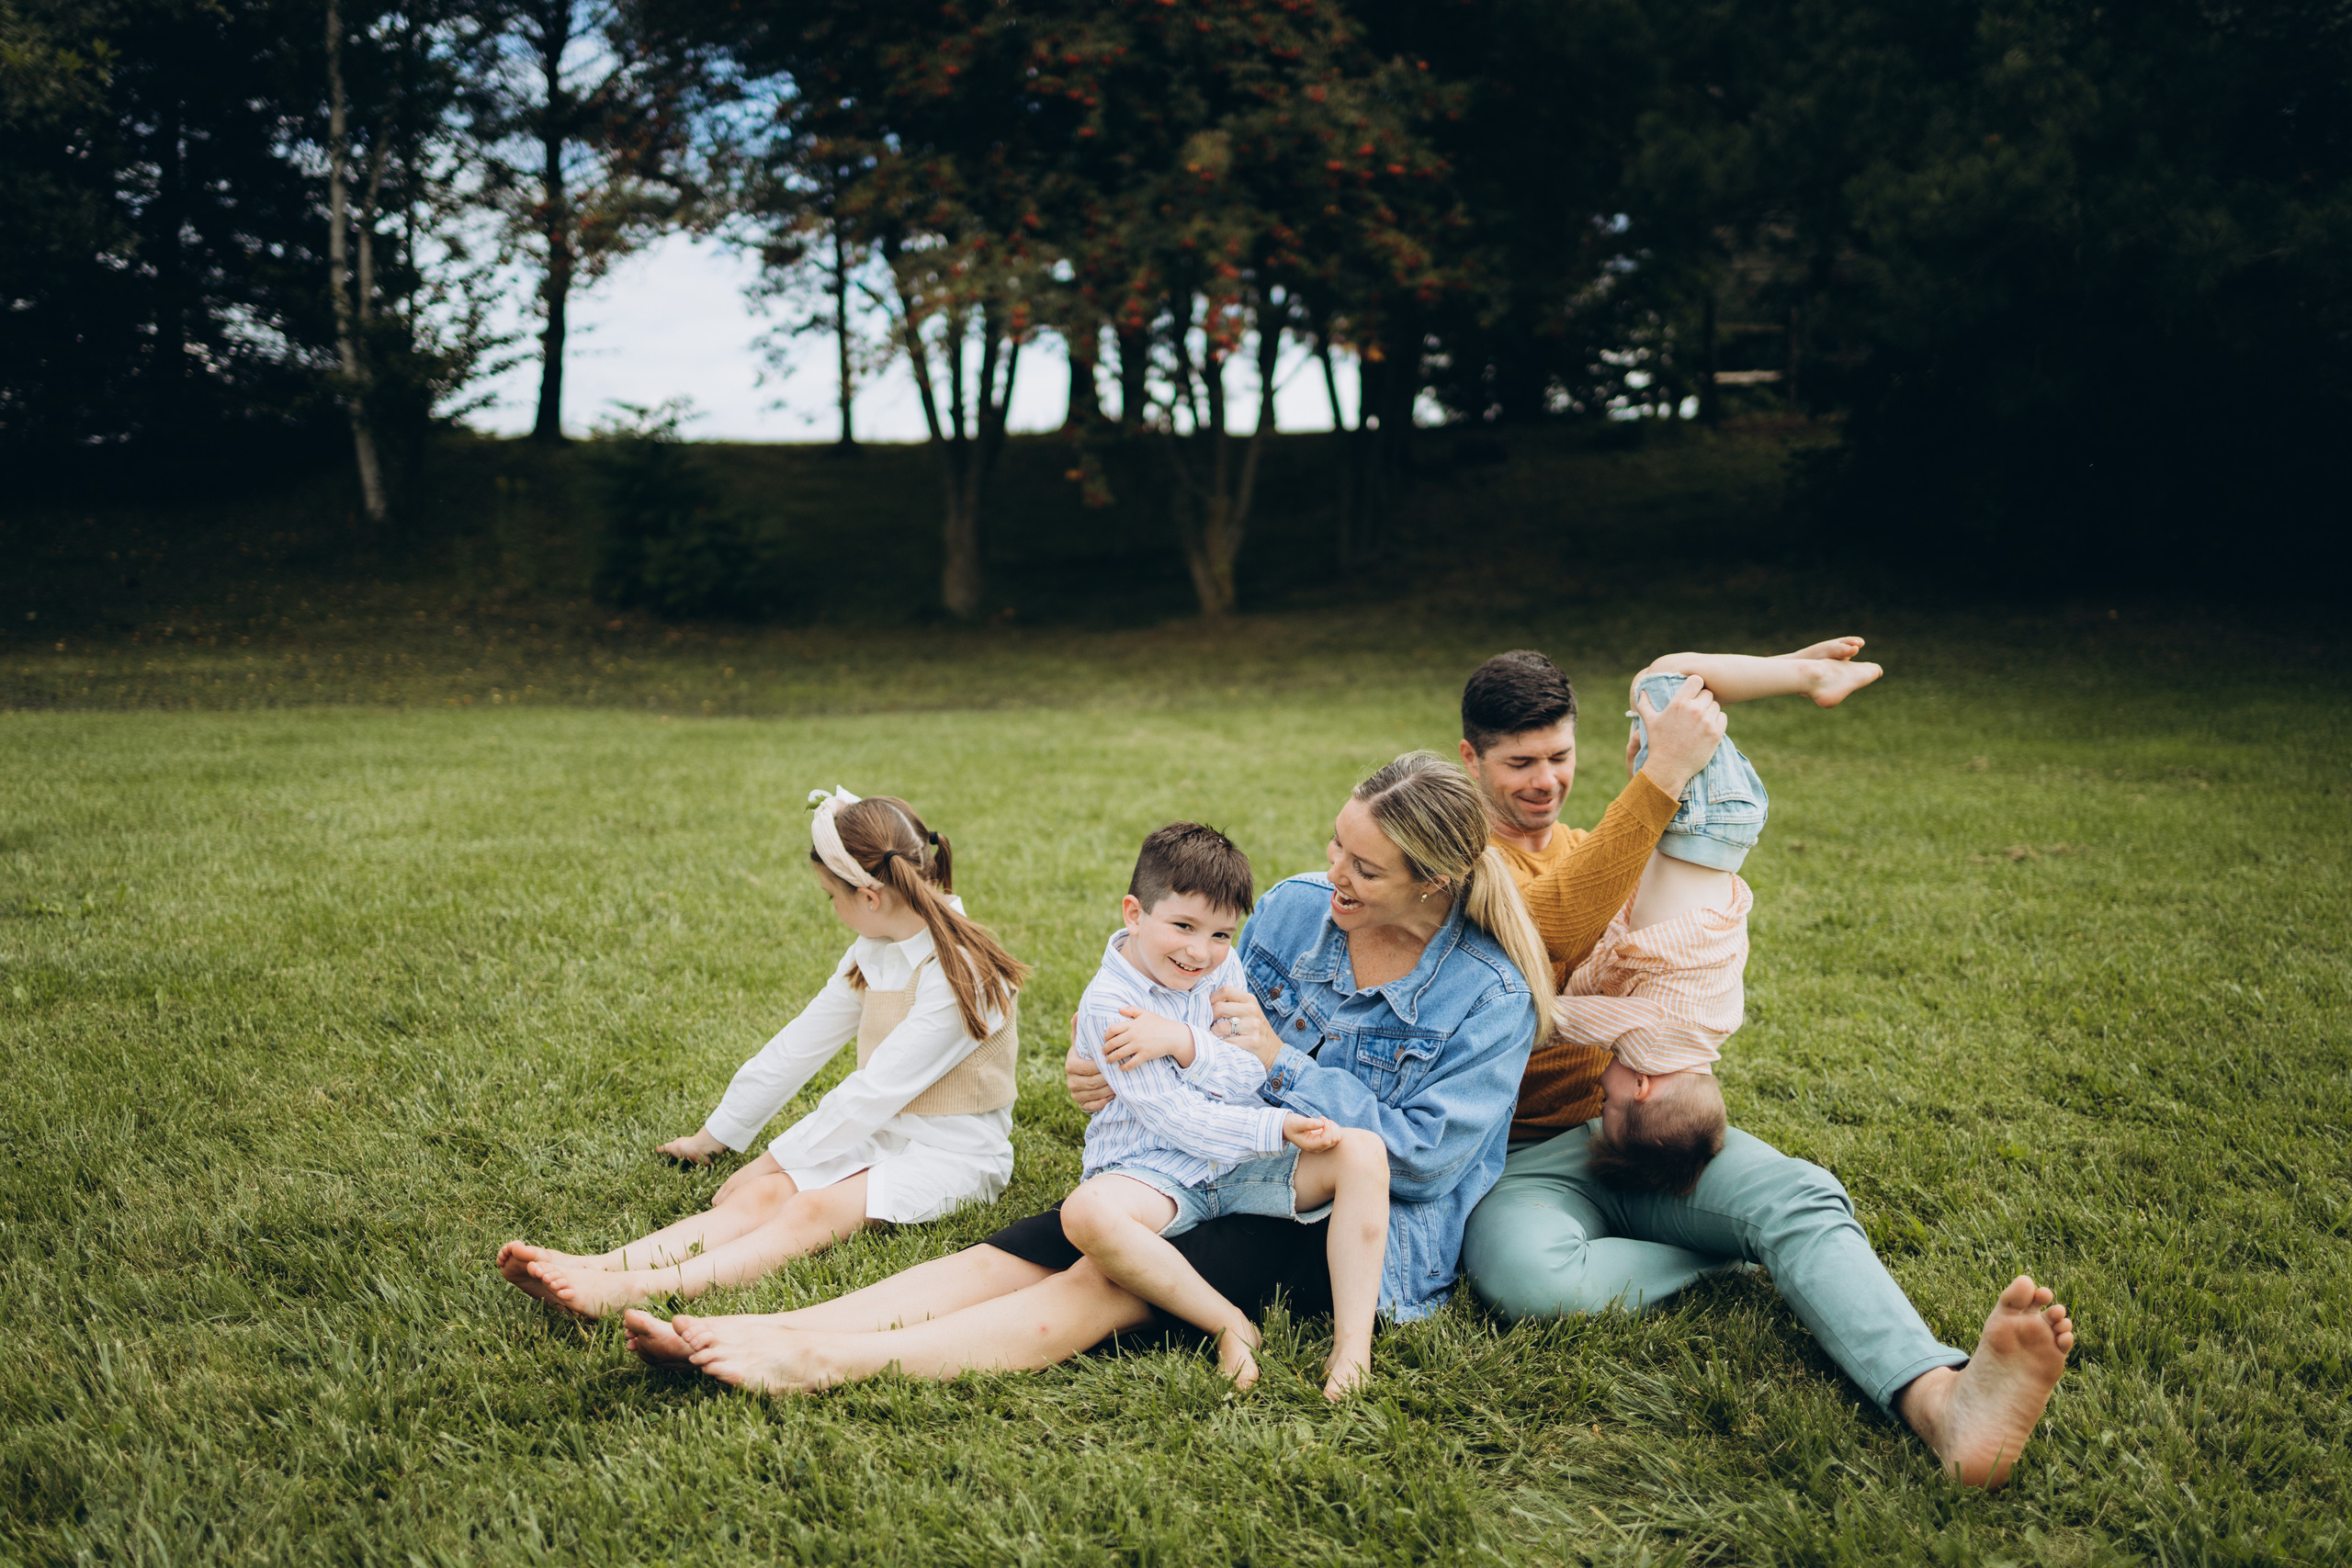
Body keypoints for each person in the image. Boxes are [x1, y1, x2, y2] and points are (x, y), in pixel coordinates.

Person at [616, 752, 1556, 1396]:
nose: (1331, 876)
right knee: (1016, 1251)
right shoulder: (1300, 912)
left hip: (1343, 1217)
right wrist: (1102, 1061)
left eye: (1364, 870)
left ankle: (814, 1361)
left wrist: (1280, 1067)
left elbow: (1422, 1160)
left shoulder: (1486, 996)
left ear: (1432, 883)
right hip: (1208, 1158)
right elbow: (1188, 1008)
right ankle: (788, 1325)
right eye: (1335, 848)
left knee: (1096, 1283)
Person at [1451, 646, 2078, 1488]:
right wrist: (1662, 778)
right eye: (1519, 763)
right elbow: (1549, 929)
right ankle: (1734, 1255)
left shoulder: (1599, 841)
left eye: (1560, 757)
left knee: (1799, 1194)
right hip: (1523, 1160)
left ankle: (1942, 1399)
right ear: (1471, 760)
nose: (1545, 781)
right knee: (1526, 1275)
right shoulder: (1458, 863)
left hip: (1634, 1124)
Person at [494, 788, 1029, 1319]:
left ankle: (633, 1292)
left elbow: (873, 1092)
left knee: (812, 1208)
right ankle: (598, 1266)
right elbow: (799, 1045)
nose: (832, 909)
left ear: (869, 897)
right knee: (760, 1198)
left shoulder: (965, 973)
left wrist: (774, 1158)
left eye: (831, 896)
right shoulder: (875, 949)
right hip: (884, 1136)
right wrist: (717, 1136)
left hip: (956, 1157)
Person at [1058, 822, 1391, 1399]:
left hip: (1232, 1167)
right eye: (1183, 926)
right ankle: (1229, 1323)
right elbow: (1179, 1120)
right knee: (1086, 1213)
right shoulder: (1110, 1008)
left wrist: (1183, 1043)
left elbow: (1248, 1070)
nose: (1199, 951)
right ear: (1135, 913)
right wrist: (1275, 1125)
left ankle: (1352, 1349)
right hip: (1152, 1173)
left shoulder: (1220, 967)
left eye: (1220, 934)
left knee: (1363, 1151)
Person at [1566, 647, 1884, 1192]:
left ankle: (1805, 668)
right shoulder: (1657, 1043)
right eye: (1608, 1100)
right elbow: (1565, 1017)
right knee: (1662, 676)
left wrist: (1642, 779)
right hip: (1702, 820)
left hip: (1707, 828)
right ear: (1642, 1086)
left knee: (1659, 700)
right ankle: (1811, 674)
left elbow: (1604, 977)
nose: (1601, 1084)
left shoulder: (1703, 1032)